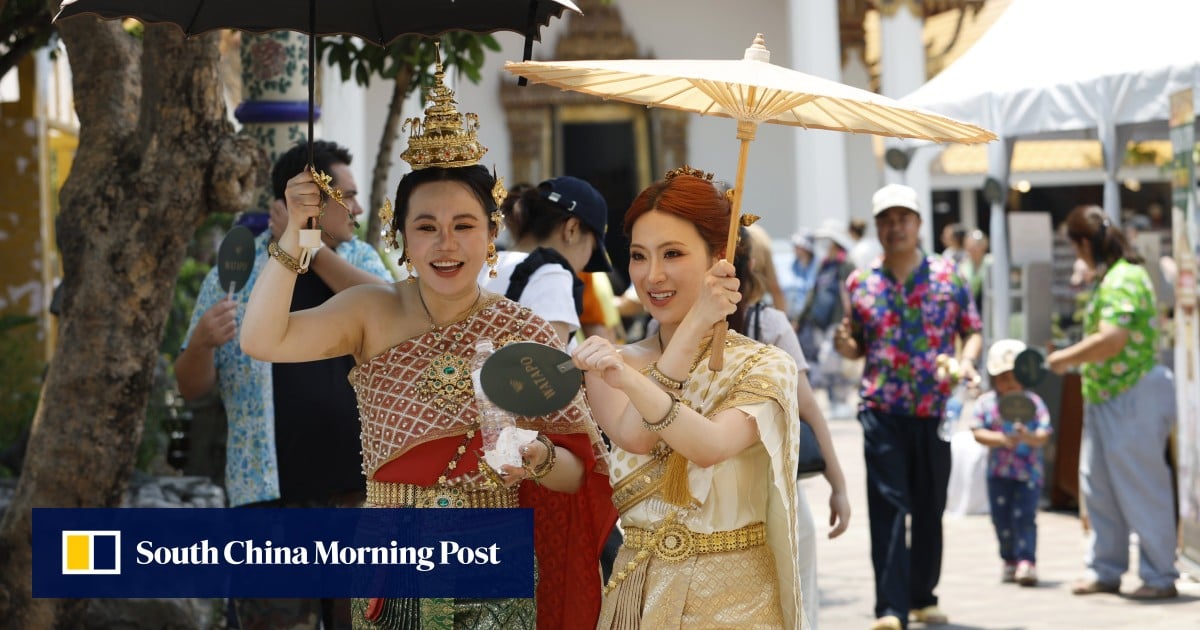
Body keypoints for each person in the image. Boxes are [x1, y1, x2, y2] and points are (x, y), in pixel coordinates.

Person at [240, 61, 615, 628]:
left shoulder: (524, 330)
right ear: (399, 235)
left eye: (464, 225)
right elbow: (262, 338)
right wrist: (297, 234)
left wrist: (536, 455)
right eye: (426, 227)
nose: (446, 244)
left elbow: (579, 472)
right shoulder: (370, 311)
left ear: (491, 234)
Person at [571, 167, 803, 628]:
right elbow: (636, 437)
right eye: (639, 256)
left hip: (739, 604)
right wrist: (669, 345)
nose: (652, 275)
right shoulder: (614, 366)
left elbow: (709, 446)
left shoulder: (766, 365)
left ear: (720, 259)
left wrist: (695, 324)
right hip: (638, 595)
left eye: (673, 253)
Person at [176, 140, 391, 629]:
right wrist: (201, 345)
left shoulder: (358, 259)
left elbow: (390, 312)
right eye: (347, 196)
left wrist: (310, 248)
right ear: (307, 200)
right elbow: (191, 387)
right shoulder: (239, 269)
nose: (358, 209)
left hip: (358, 496)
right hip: (270, 504)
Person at [833, 183, 982, 630]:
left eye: (904, 219)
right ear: (878, 227)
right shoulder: (860, 283)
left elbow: (972, 329)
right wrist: (844, 345)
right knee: (889, 507)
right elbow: (857, 345)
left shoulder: (949, 276)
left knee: (930, 506)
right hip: (882, 408)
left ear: (918, 224)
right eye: (887, 220)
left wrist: (966, 361)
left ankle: (923, 597)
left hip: (935, 410)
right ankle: (890, 608)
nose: (895, 227)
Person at [1046, 205, 1179, 600]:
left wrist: (1065, 358)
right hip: (1109, 394)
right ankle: (1105, 569)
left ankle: (1159, 574)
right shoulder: (1115, 277)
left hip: (1131, 393)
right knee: (1099, 488)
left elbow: (1112, 339)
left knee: (1141, 486)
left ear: (1085, 244)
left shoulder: (1123, 278)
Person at [733, 225, 851, 630]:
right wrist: (838, 485)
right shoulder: (769, 324)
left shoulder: (665, 331)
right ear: (754, 265)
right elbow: (809, 408)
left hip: (711, 498)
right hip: (775, 492)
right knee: (794, 607)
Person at [481, 176, 612, 347]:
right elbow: (550, 363)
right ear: (571, 229)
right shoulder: (551, 276)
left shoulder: (484, 265)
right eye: (592, 249)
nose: (585, 265)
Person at [970, 338, 1052, 587]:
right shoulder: (986, 403)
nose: (1009, 382)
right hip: (998, 473)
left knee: (1025, 517)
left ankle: (1027, 561)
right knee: (1001, 519)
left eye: (1013, 376)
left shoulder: (1034, 402)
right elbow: (977, 431)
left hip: (1029, 473)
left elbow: (1044, 434)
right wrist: (1000, 439)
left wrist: (1027, 436)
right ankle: (1009, 560)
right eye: (1003, 377)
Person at [801, 219, 857, 418]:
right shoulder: (824, 265)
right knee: (826, 363)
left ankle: (841, 401)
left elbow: (850, 293)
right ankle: (834, 402)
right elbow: (814, 291)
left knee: (834, 361)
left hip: (838, 320)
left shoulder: (846, 264)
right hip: (820, 322)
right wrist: (802, 317)